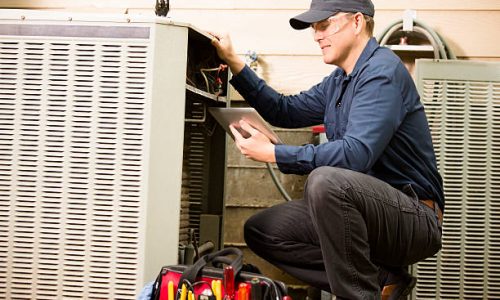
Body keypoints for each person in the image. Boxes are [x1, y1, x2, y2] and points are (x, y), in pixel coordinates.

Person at [210, 0, 444, 298]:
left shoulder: (382, 73)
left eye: (324, 25)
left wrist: (274, 153)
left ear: (357, 22)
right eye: (313, 28)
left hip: (412, 217)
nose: (316, 35)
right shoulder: (340, 81)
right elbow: (285, 111)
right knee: (265, 229)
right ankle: (382, 280)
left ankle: (357, 295)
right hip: (365, 210)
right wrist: (235, 63)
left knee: (326, 181)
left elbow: (354, 156)